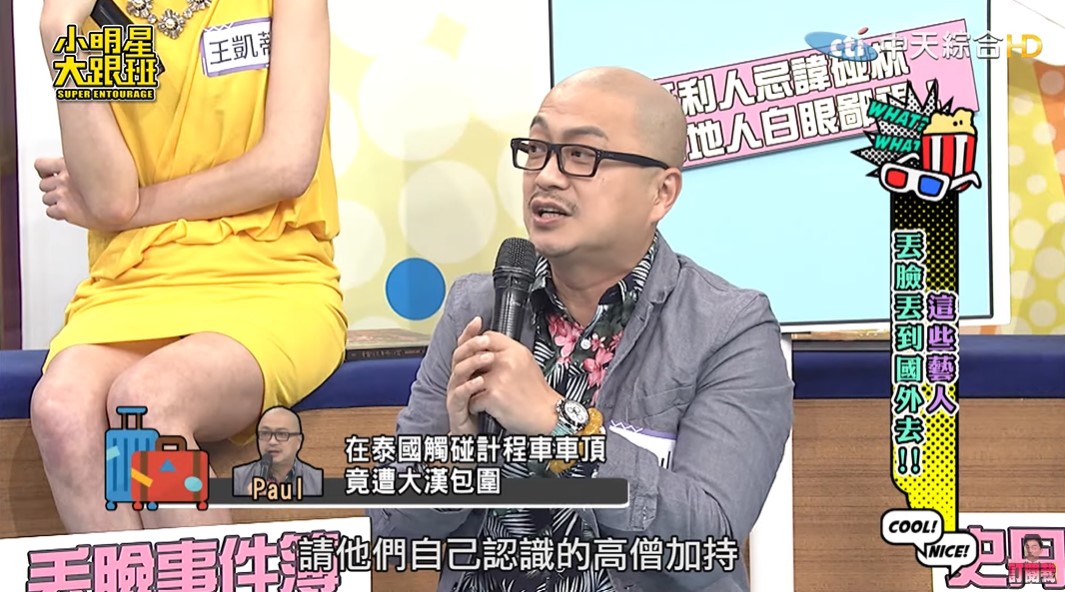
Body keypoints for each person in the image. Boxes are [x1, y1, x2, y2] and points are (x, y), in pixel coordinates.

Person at [368, 66, 794, 592]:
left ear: (661, 192)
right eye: (537, 150)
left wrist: (560, 428)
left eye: (580, 155)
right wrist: (461, 457)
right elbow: (390, 525)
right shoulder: (478, 307)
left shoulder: (729, 329)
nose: (546, 176)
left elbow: (709, 539)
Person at [30, 0, 345, 533]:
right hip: (137, 280)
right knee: (61, 410)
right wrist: (58, 30)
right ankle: (140, 571)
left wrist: (141, 208)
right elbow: (111, 200)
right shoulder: (99, 18)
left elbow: (285, 166)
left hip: (270, 274)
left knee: (146, 402)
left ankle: (202, 571)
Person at [232, 406, 324, 497]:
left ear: (298, 442)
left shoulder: (318, 482)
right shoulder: (238, 478)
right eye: (265, 433)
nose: (272, 442)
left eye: (282, 434)